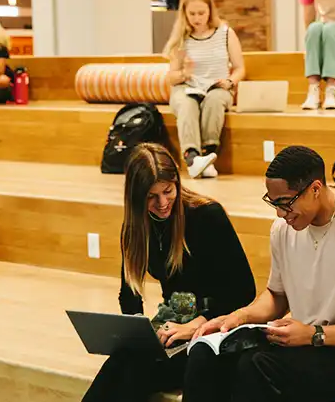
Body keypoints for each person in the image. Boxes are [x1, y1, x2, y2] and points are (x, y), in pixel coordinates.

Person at [184, 146, 335, 402]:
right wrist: (237, 318)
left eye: (285, 203)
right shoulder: (283, 228)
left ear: (315, 189)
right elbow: (276, 295)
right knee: (205, 352)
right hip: (304, 340)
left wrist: (314, 334)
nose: (280, 213)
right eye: (273, 203)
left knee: (256, 365)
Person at [83, 143, 256, 402]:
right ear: (136, 196)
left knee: (131, 371)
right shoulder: (135, 226)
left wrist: (197, 323)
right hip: (173, 322)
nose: (163, 203)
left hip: (214, 326)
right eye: (151, 197)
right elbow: (130, 292)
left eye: (167, 191)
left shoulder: (207, 215)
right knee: (123, 361)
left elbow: (243, 291)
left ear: (177, 182)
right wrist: (135, 332)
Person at [163, 0, 245, 179]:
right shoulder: (182, 39)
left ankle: (208, 155)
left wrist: (230, 81)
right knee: (186, 102)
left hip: (217, 87)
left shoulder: (225, 33)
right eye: (192, 13)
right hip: (187, 87)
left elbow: (240, 68)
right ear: (185, 13)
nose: (197, 18)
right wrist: (185, 73)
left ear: (210, 12)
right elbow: (171, 77)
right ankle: (192, 158)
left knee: (214, 100)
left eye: (201, 13)